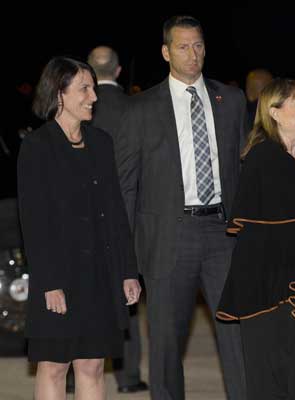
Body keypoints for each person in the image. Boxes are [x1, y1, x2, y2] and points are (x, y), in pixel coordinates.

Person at [114, 16, 247, 400]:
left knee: (237, 335)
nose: (193, 54)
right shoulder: (139, 109)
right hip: (169, 239)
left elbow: (247, 169)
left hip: (224, 235)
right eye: (184, 46)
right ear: (166, 51)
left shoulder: (232, 101)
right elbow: (126, 187)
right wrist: (126, 259)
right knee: (166, 344)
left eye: (199, 45)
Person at [17, 56, 141, 400]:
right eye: (84, 88)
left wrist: (128, 271)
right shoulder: (37, 147)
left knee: (92, 365)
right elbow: (34, 221)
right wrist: (49, 282)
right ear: (59, 93)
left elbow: (116, 212)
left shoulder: (101, 142)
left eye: (94, 88)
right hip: (59, 276)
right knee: (55, 366)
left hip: (100, 274)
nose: (93, 97)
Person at [216, 78, 295, 400]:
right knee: (269, 380)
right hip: (267, 287)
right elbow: (288, 218)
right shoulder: (262, 157)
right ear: (273, 111)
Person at [86, 45, 148, 394]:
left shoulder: (82, 109)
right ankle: (128, 377)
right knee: (129, 299)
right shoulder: (135, 108)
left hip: (88, 217)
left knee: (80, 294)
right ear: (119, 71)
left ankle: (68, 371)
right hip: (130, 218)